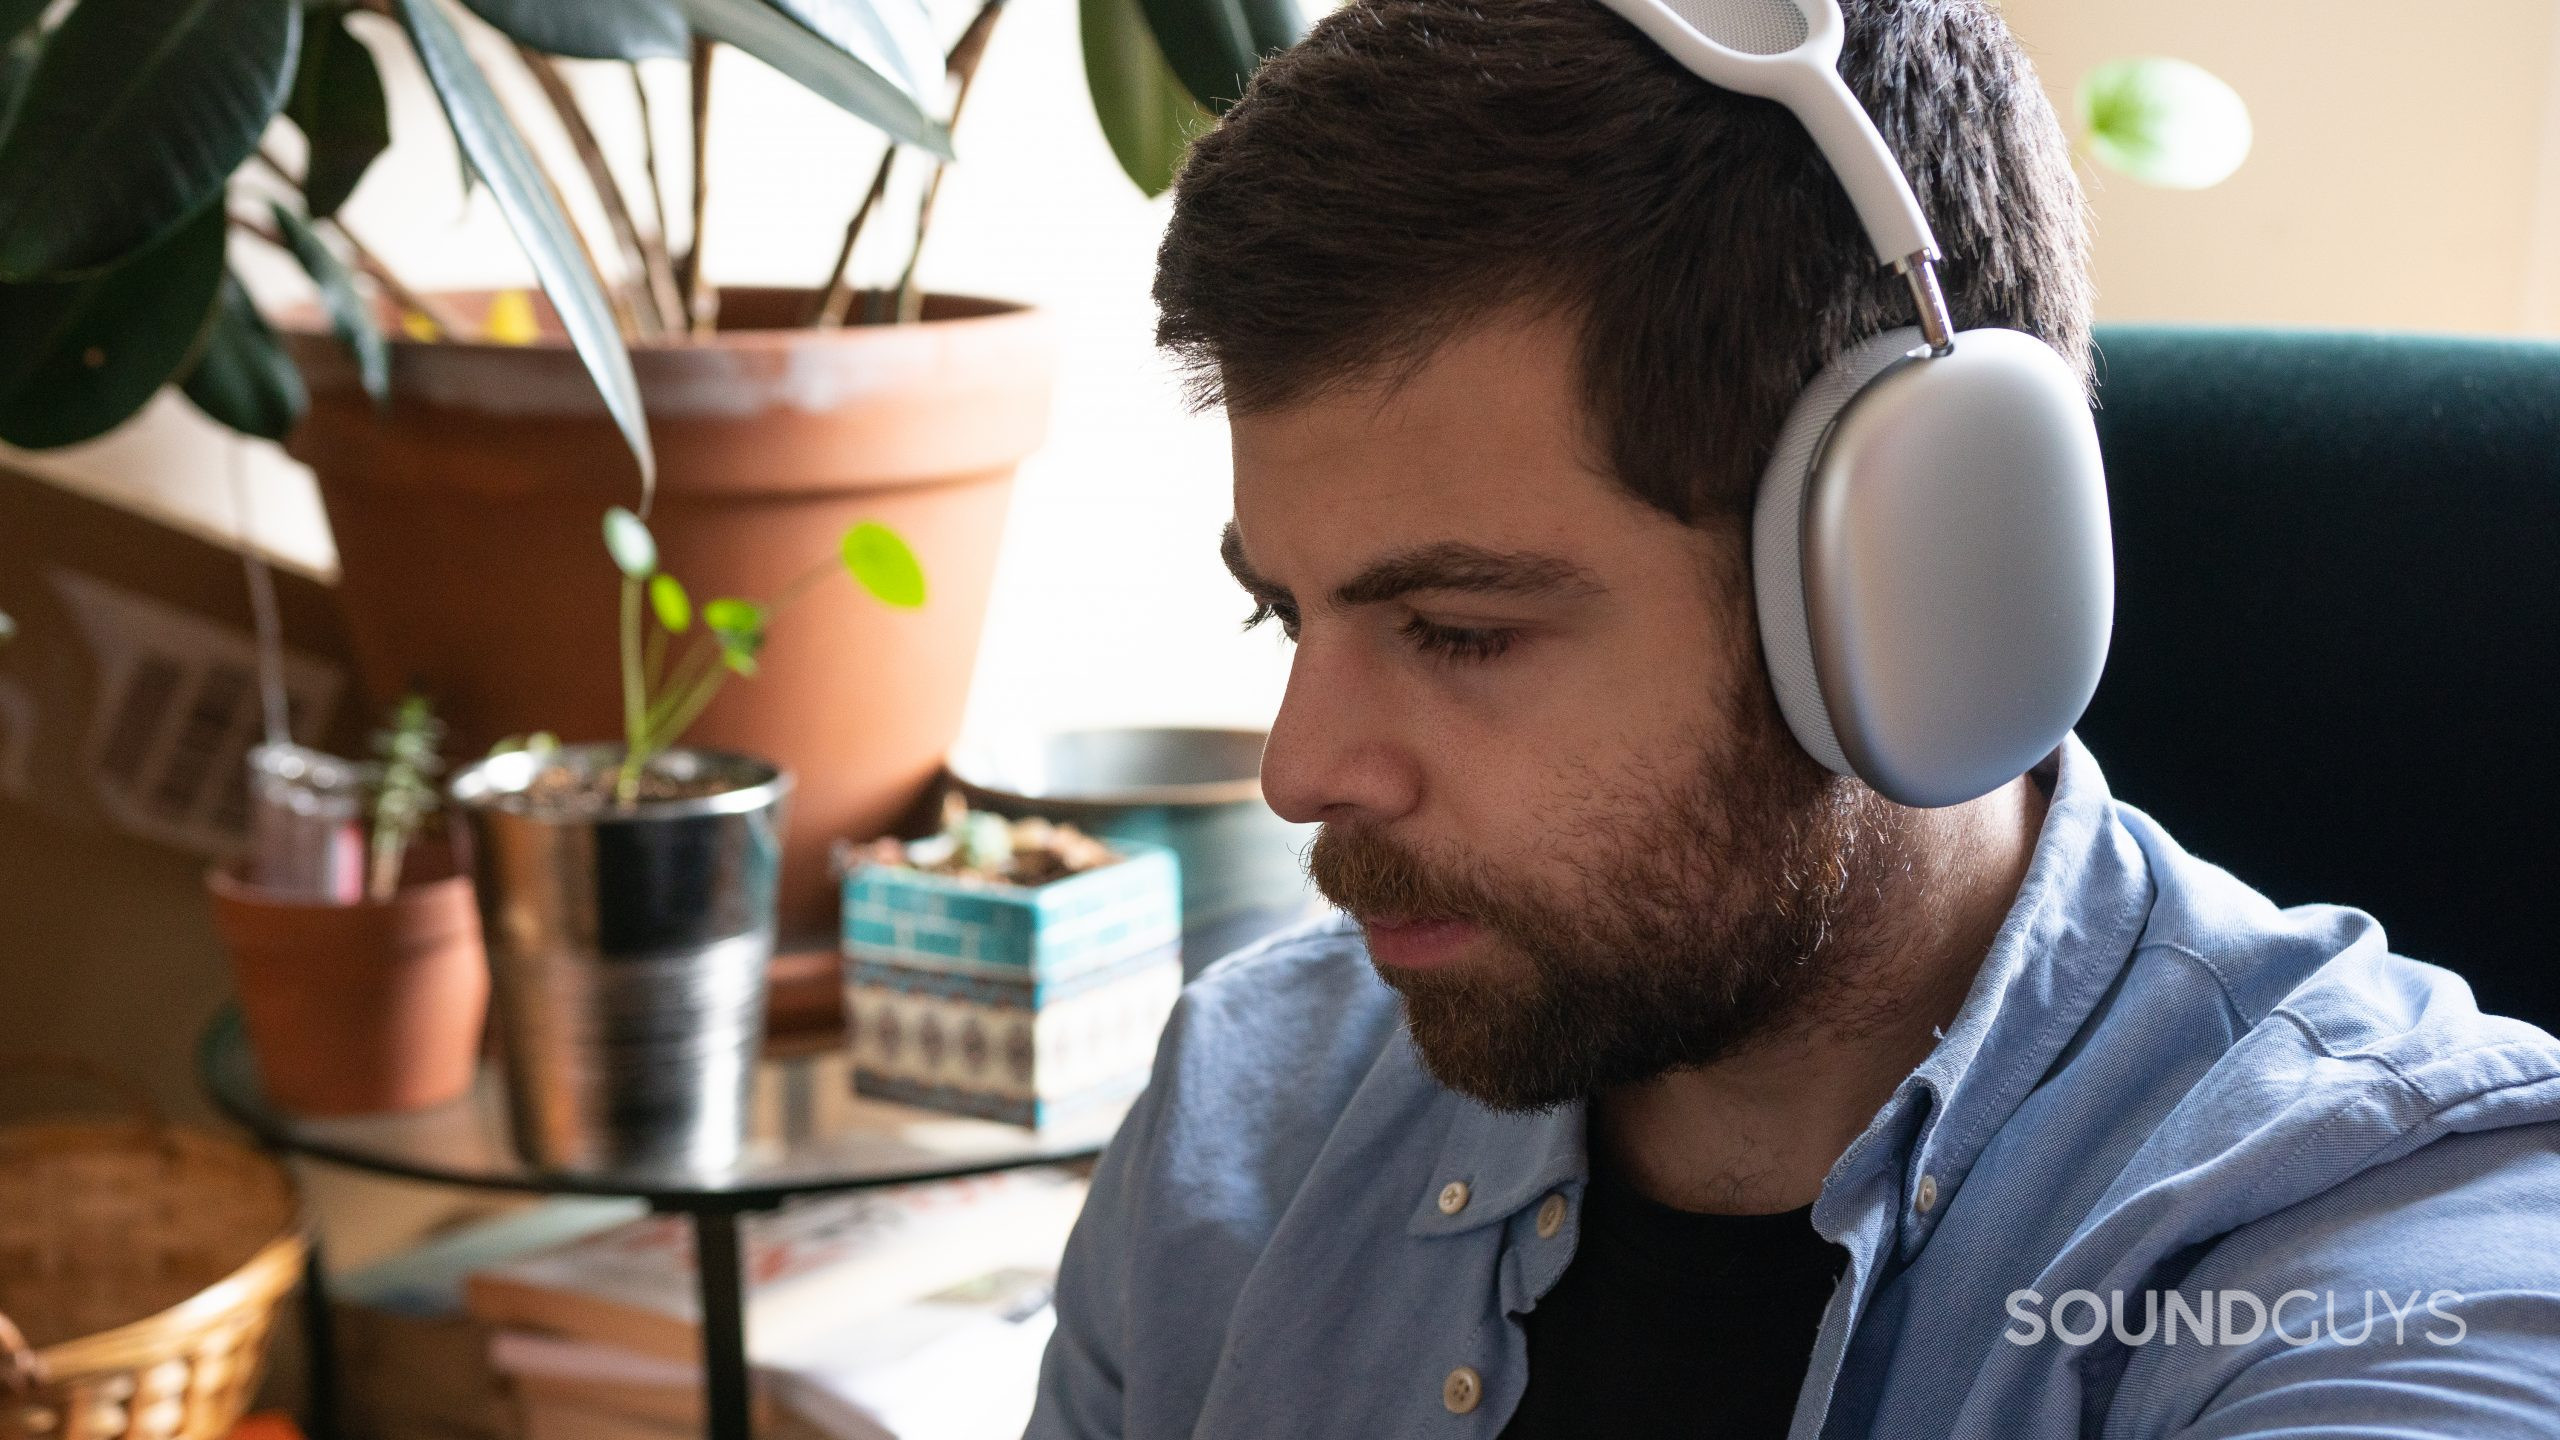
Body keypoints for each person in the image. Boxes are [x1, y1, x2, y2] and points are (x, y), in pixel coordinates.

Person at [1025, 0, 2560, 1434]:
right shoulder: (1239, 1119)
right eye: (1284, 613)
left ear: (1913, 584)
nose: (1302, 773)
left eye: (1460, 631)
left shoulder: (2385, 1253)